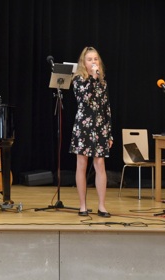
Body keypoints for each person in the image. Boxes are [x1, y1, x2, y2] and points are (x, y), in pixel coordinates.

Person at [69, 47, 113, 218]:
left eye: (96, 59)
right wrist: (93, 78)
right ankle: (83, 206)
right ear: (84, 63)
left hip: (100, 126)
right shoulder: (78, 80)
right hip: (83, 126)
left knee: (100, 164)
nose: (94, 62)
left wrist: (109, 133)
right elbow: (84, 99)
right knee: (82, 164)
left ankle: (102, 206)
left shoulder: (103, 82)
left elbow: (106, 108)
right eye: (90, 59)